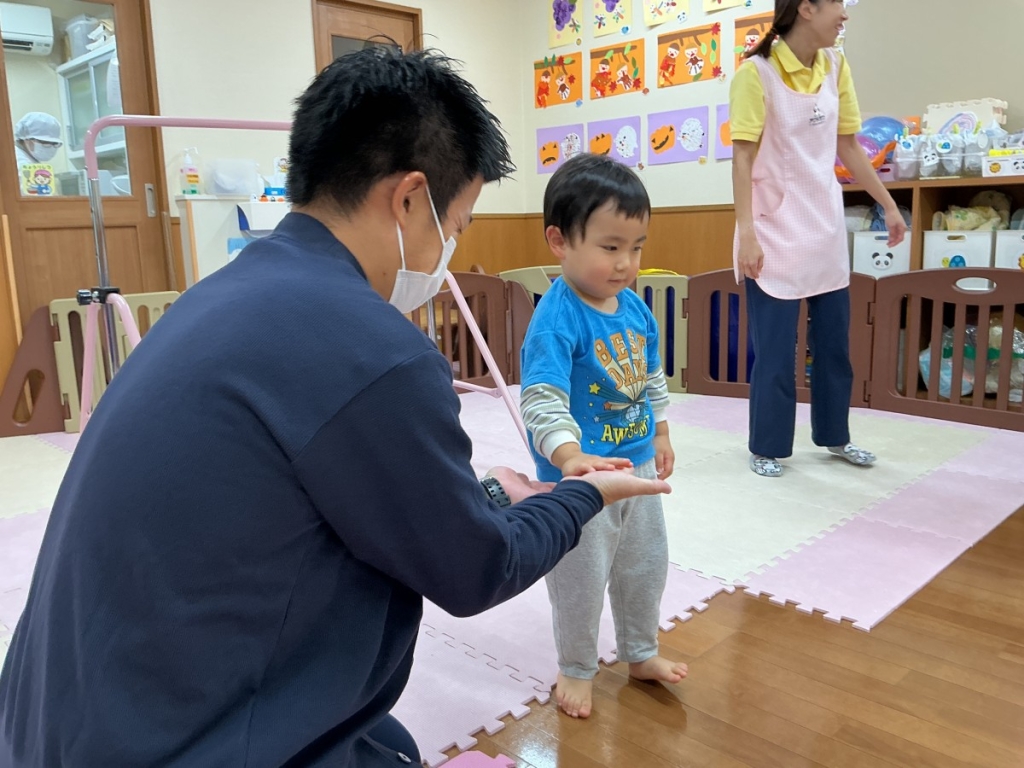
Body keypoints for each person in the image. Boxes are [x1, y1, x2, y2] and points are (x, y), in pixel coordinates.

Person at [0, 49, 670, 768]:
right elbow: (475, 570)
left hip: (50, 725)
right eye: (462, 224)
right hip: (176, 741)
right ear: (410, 199)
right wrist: (578, 496)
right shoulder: (373, 350)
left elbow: (323, 503)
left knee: (389, 739)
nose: (450, 251)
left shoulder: (218, 297)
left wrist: (479, 494)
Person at [520, 154, 688, 720]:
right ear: (559, 241)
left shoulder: (636, 308)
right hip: (581, 483)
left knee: (645, 566)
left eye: (636, 247)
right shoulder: (556, 317)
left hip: (636, 468)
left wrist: (660, 429)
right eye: (610, 247)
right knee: (580, 579)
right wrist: (568, 456)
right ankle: (577, 665)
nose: (626, 263)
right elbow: (541, 398)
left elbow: (651, 376)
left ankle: (641, 651)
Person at [730, 0, 907, 478]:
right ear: (805, 8)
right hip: (772, 228)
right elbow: (743, 157)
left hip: (824, 225)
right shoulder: (756, 73)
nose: (844, 15)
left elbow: (848, 143)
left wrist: (889, 206)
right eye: (837, 5)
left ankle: (836, 436)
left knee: (833, 346)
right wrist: (746, 233)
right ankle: (767, 446)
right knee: (775, 350)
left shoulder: (835, 63)